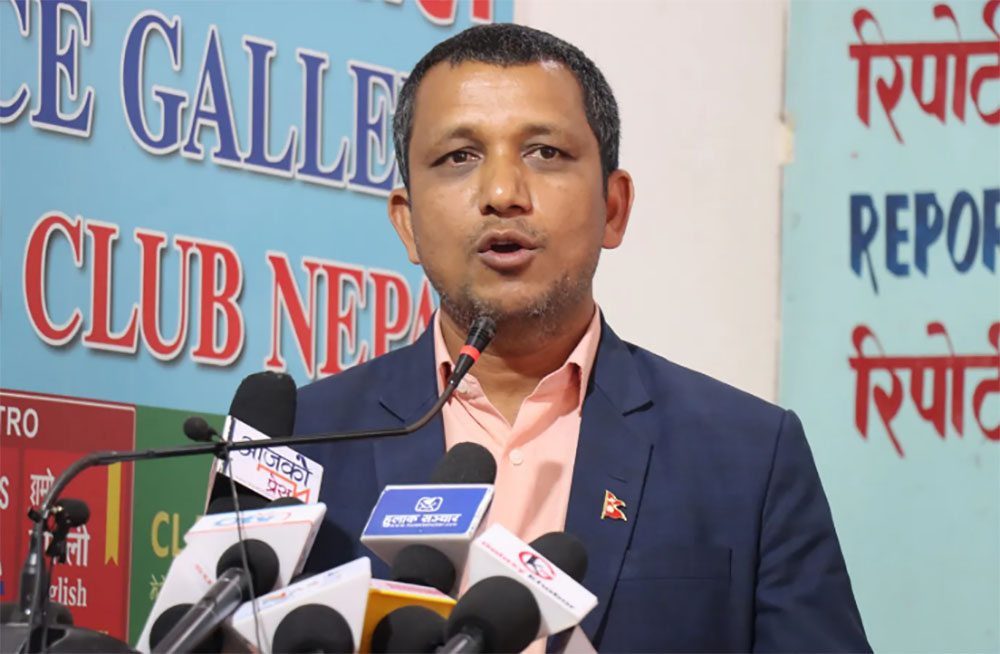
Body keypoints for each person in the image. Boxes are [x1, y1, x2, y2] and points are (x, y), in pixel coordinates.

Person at [293, 23, 870, 652]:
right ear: (407, 224)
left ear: (613, 209)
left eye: (544, 152)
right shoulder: (301, 442)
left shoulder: (750, 456)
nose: (503, 194)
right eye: (459, 157)